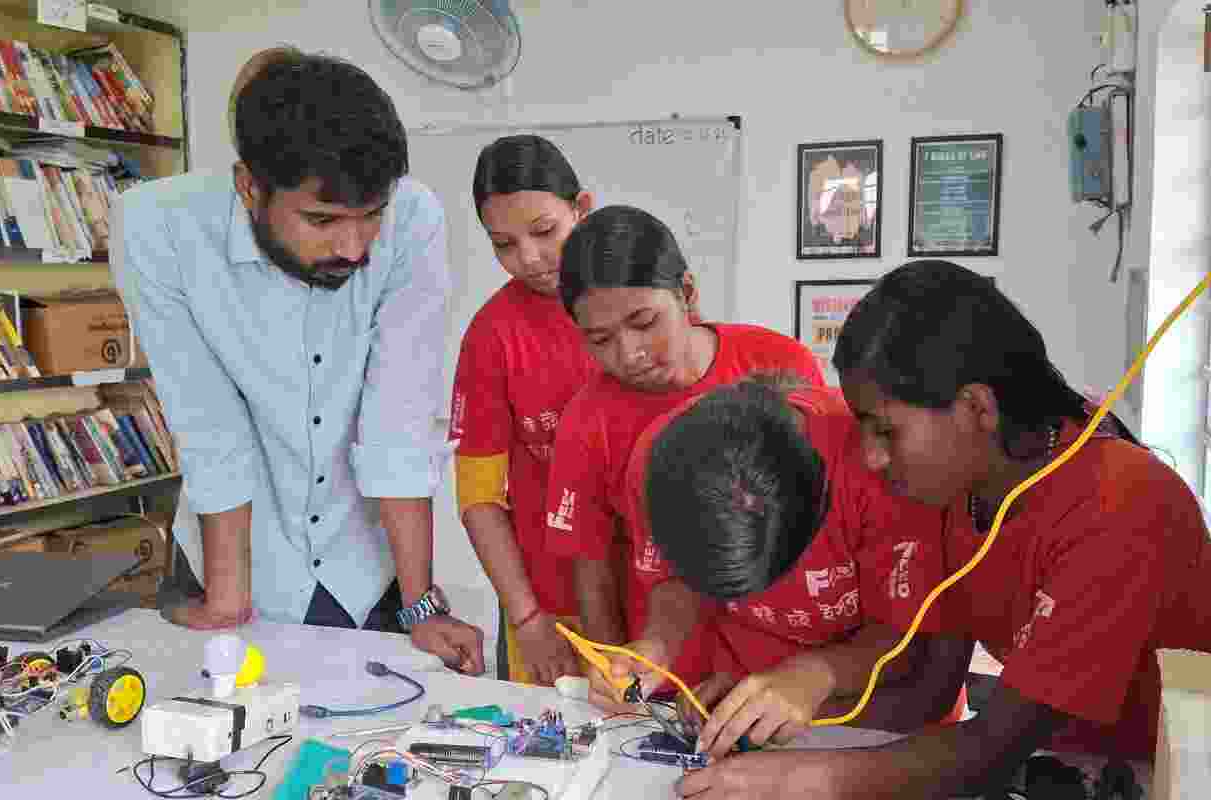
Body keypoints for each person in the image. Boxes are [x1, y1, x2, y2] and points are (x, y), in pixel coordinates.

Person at [674, 260, 1211, 799]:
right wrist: (774, 714)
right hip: (1050, 759)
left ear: (976, 407)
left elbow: (992, 752)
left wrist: (795, 781)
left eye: (885, 431)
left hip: (1151, 776)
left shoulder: (1118, 508)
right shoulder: (960, 483)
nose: (868, 458)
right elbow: (928, 693)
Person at [111, 48, 485, 674]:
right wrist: (228, 598)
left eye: (371, 217)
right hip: (232, 550)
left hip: (366, 560)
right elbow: (207, 422)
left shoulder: (416, 217)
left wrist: (420, 605)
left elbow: (398, 419)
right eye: (322, 219)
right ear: (249, 187)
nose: (355, 246)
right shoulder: (158, 227)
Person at [541, 204, 827, 708]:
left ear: (687, 294)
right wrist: (617, 668)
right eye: (600, 339)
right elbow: (593, 566)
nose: (629, 354)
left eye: (644, 322)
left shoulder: (781, 365)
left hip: (785, 670)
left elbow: (828, 516)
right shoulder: (589, 422)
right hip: (670, 668)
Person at [620, 372, 967, 759]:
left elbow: (917, 656)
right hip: (753, 715)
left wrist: (815, 678)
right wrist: (658, 646)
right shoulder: (660, 465)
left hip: (888, 730)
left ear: (815, 510)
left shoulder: (888, 470)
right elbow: (674, 582)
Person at [449, 134, 600, 686]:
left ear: (582, 209)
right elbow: (480, 497)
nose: (529, 259)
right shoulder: (493, 335)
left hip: (657, 607)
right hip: (547, 610)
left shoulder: (640, 303)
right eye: (504, 245)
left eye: (544, 233)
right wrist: (528, 617)